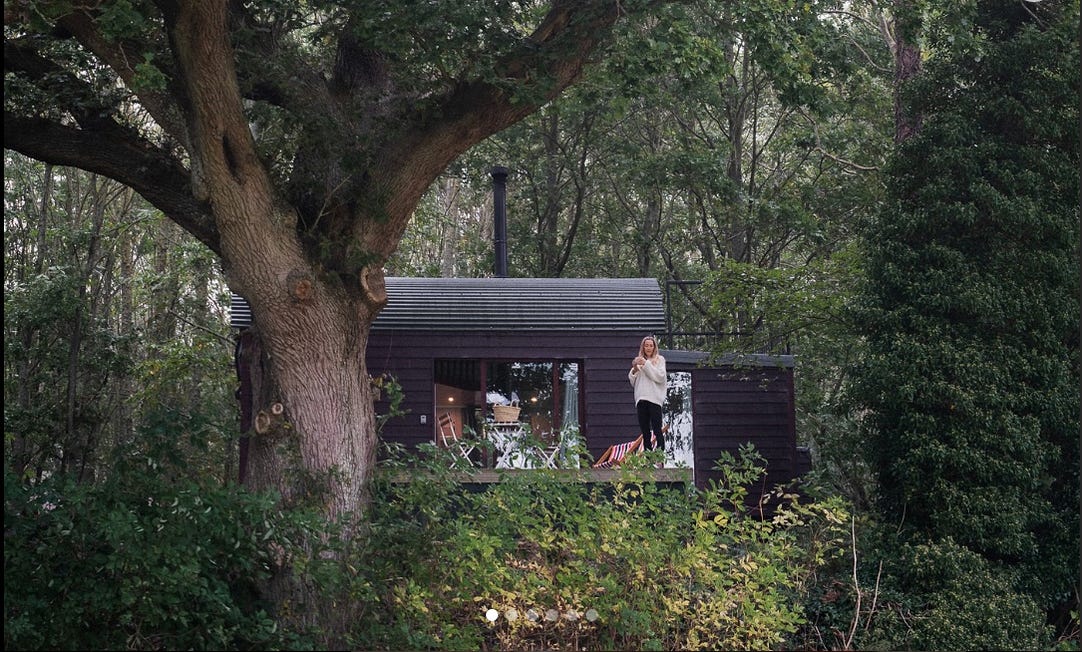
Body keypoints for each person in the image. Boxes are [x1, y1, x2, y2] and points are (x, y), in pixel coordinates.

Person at [628, 335, 666, 463]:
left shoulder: (659, 360)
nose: (648, 348)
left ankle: (660, 458)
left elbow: (660, 377)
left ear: (654, 347)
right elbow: (633, 381)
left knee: (657, 429)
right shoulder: (640, 361)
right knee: (645, 432)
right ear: (643, 347)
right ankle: (649, 460)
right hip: (641, 398)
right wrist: (634, 369)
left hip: (654, 399)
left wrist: (646, 364)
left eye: (651, 345)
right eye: (646, 345)